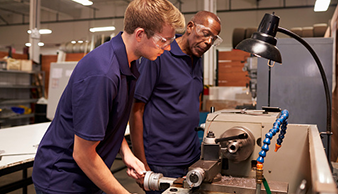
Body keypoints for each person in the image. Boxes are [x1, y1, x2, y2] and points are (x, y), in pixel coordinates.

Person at [32, 0, 185, 193]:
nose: (168, 48)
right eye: (163, 41)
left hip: (87, 175)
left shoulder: (129, 63)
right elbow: (83, 154)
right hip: (62, 179)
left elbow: (108, 119)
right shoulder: (103, 73)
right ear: (139, 34)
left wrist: (126, 152)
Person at [130, 11, 222, 192]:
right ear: (190, 27)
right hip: (162, 161)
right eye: (206, 34)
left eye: (214, 39)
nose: (209, 42)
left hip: (192, 157)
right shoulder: (159, 55)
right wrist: (141, 165)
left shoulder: (197, 59)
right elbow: (136, 110)